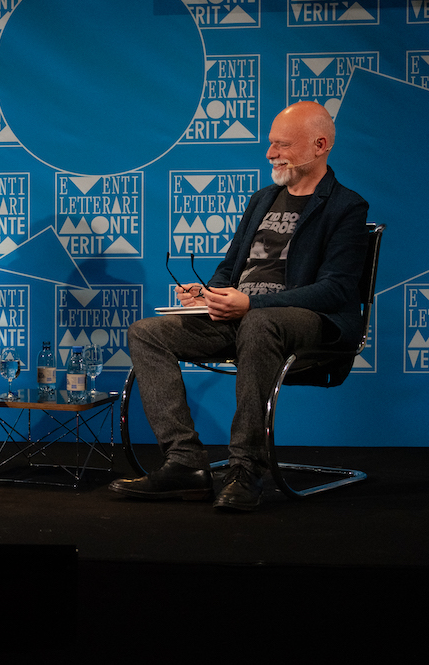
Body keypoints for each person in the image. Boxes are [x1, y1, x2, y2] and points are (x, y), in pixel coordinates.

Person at [109, 100, 368, 511]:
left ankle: (247, 468)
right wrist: (208, 294)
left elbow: (335, 290)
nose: (270, 153)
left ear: (320, 145)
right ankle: (185, 464)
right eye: (271, 143)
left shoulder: (346, 207)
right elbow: (231, 268)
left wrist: (252, 303)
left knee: (260, 323)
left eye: (282, 145)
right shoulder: (263, 199)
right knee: (147, 333)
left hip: (306, 324)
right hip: (242, 316)